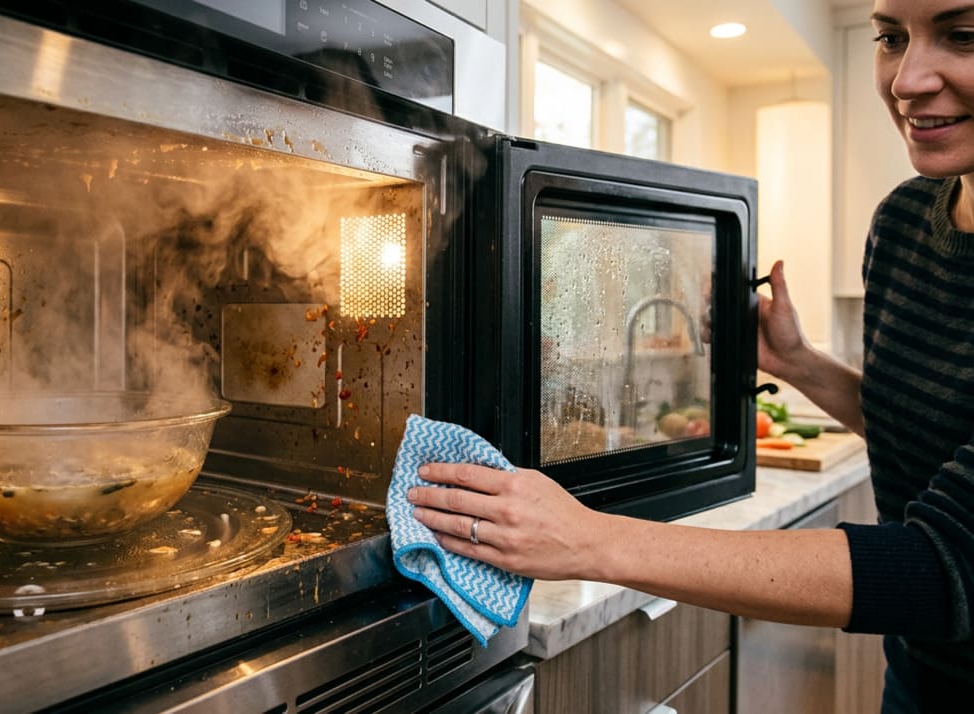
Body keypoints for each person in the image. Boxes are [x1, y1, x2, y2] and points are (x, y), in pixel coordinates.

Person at [405, 0, 973, 710]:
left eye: (963, 35)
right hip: (921, 679)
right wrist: (798, 362)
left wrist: (586, 537)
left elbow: (938, 566)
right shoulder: (903, 221)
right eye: (890, 38)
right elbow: (932, 435)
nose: (907, 79)